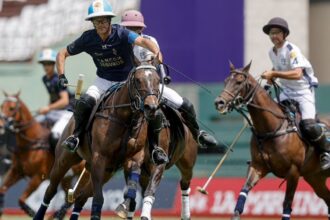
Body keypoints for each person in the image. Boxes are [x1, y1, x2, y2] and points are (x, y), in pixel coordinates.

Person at [56, 0, 171, 164]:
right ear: (92, 23)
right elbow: (62, 53)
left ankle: (154, 148)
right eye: (97, 21)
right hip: (103, 79)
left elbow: (142, 41)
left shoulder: (122, 33)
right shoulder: (87, 38)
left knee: (150, 108)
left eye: (104, 20)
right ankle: (76, 137)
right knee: (84, 102)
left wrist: (157, 52)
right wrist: (61, 76)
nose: (101, 24)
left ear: (110, 20)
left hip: (127, 81)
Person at [121, 10, 218, 159]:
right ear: (123, 29)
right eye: (129, 28)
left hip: (149, 88)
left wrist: (158, 64)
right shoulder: (118, 43)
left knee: (186, 105)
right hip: (125, 88)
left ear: (142, 29)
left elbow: (157, 59)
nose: (133, 31)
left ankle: (198, 135)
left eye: (136, 28)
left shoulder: (149, 40)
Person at [261, 17, 330, 170]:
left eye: (277, 32)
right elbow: (276, 69)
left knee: (308, 125)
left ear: (284, 34)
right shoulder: (272, 52)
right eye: (271, 33)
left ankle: (326, 151)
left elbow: (297, 74)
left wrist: (273, 74)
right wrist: (266, 88)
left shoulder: (292, 50)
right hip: (286, 91)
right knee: (271, 115)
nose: (274, 36)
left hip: (303, 91)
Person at [37, 48, 73, 143]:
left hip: (66, 113)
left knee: (55, 134)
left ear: (54, 64)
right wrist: (46, 109)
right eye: (44, 63)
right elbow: (52, 96)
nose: (46, 66)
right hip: (54, 112)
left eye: (49, 63)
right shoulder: (45, 79)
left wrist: (48, 108)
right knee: (34, 124)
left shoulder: (58, 80)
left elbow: (65, 101)